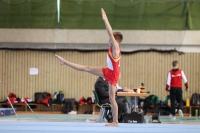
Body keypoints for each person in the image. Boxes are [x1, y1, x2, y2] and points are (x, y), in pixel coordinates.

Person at [55, 8, 123, 127]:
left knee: (112, 98)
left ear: (116, 40)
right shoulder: (114, 49)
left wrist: (105, 19)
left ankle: (116, 121)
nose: (108, 40)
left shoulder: (116, 47)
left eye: (111, 39)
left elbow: (110, 33)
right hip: (110, 71)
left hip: (112, 74)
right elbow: (117, 65)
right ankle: (65, 62)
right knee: (87, 68)